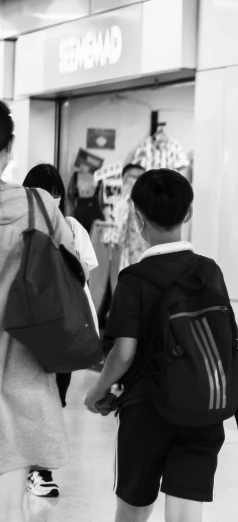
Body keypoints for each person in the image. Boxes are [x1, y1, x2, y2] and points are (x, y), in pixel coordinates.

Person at [84, 169, 226, 522]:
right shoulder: (210, 271)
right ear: (188, 214)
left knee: (133, 503)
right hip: (203, 406)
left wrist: (97, 391)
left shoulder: (134, 279)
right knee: (186, 509)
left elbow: (124, 352)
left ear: (138, 219)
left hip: (147, 409)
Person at [0, 101, 74, 521]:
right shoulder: (41, 205)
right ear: (9, 148)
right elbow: (74, 270)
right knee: (11, 497)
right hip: (24, 364)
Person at [21, 163, 100, 498]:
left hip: (62, 328)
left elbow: (84, 274)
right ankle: (35, 467)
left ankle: (38, 467)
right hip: (26, 327)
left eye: (54, 200)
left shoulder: (70, 227)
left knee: (54, 399)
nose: (49, 208)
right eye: (43, 200)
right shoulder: (17, 226)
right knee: (29, 397)